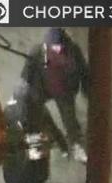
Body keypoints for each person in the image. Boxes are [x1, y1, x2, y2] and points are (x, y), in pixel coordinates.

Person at [2, 81, 66, 183]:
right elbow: (52, 128)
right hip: (25, 156)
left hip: (22, 157)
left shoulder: (10, 111)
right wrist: (62, 144)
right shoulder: (37, 109)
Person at [21, 28, 89, 163]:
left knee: (70, 121)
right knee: (33, 116)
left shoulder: (73, 52)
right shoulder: (38, 51)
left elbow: (83, 71)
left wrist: (86, 90)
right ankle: (39, 144)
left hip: (64, 91)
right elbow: (26, 73)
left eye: (58, 46)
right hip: (41, 89)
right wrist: (25, 91)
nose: (56, 50)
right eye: (52, 47)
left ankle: (77, 146)